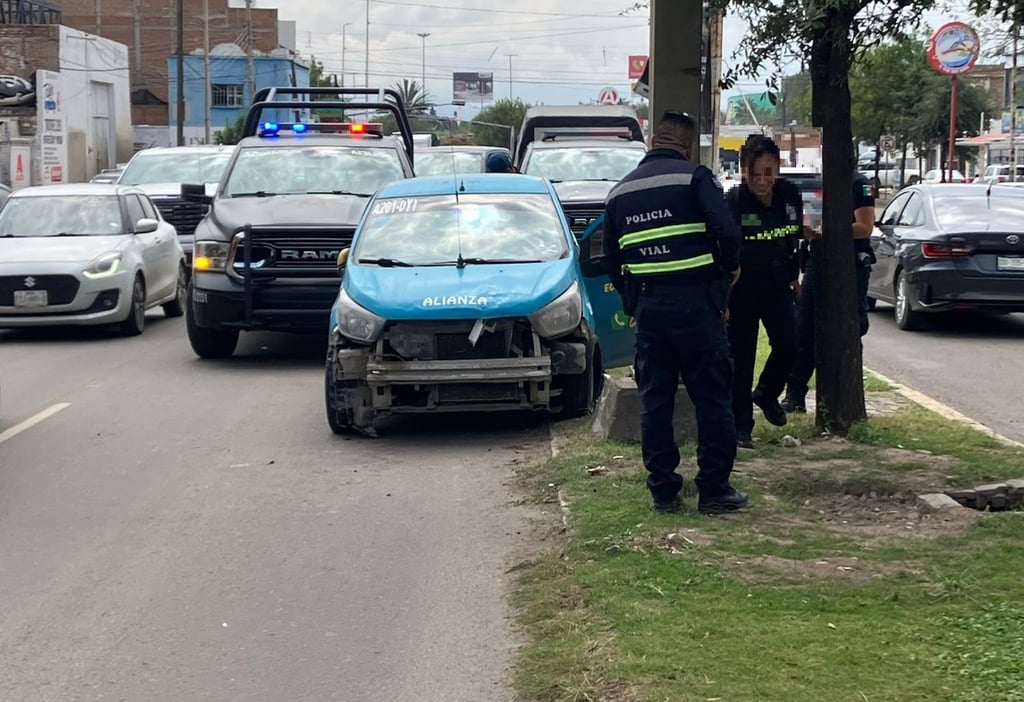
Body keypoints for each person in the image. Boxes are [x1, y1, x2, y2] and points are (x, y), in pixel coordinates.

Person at [601, 110, 747, 515]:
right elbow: (726, 231)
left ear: (653, 142)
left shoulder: (619, 193)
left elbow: (610, 259)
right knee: (712, 397)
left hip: (650, 311)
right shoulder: (694, 178)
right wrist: (726, 274)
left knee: (656, 401)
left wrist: (634, 303)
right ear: (686, 147)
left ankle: (664, 491)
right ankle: (714, 490)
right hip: (697, 306)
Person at [725, 135, 802, 449]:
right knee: (740, 361)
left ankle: (767, 393)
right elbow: (726, 249)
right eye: (754, 173)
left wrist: (796, 275)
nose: (761, 181)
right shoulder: (733, 201)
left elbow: (797, 236)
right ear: (744, 169)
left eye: (768, 173)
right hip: (741, 289)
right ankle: (740, 427)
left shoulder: (790, 195)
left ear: (777, 169)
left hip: (778, 284)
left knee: (790, 344)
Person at [782, 162, 877, 413]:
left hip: (849, 264)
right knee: (804, 328)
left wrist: (823, 230)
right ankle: (794, 393)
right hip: (817, 262)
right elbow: (809, 226)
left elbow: (865, 227)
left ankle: (843, 393)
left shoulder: (859, 183)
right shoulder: (818, 184)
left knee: (850, 326)